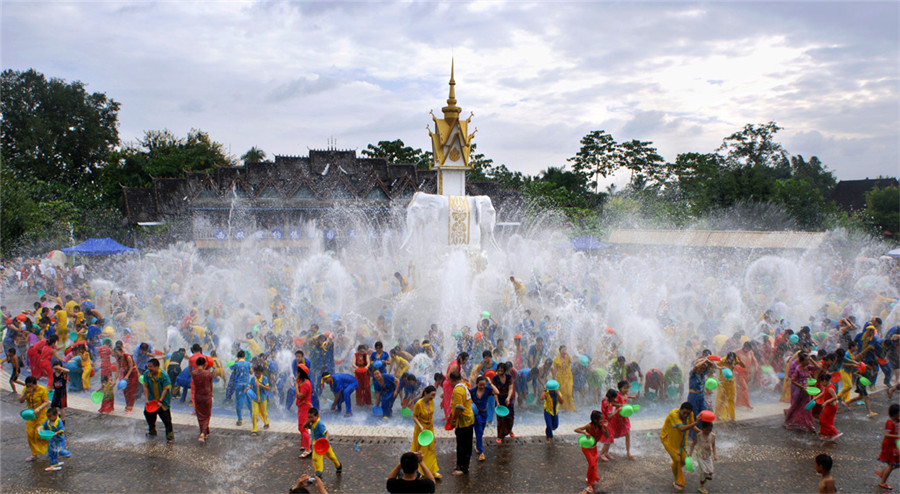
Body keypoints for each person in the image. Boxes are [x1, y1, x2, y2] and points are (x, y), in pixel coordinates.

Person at [660, 401, 700, 492]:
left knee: (684, 459)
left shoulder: (691, 413)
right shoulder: (673, 414)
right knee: (677, 460)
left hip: (680, 440)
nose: (686, 415)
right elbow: (681, 428)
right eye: (684, 412)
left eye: (688, 413)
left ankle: (674, 466)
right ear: (680, 409)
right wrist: (696, 422)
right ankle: (678, 481)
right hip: (668, 439)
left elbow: (691, 426)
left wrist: (701, 432)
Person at [574, 409, 609, 494]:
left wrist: (606, 427)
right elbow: (576, 429)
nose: (602, 421)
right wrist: (584, 433)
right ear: (595, 420)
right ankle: (589, 482)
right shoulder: (589, 426)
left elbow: (607, 436)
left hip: (594, 447)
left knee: (594, 463)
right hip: (586, 448)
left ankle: (594, 477)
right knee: (592, 464)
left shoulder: (601, 427)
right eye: (600, 419)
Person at [448, 371, 474, 476]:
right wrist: (451, 413)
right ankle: (460, 464)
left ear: (451, 380)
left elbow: (459, 408)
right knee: (464, 444)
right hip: (468, 419)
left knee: (463, 445)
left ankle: (463, 468)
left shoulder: (458, 390)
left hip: (464, 421)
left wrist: (453, 420)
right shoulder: (463, 385)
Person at [411, 385, 440, 479]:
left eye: (434, 395)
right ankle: (419, 471)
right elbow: (414, 416)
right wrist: (420, 426)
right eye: (431, 395)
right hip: (421, 430)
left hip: (429, 429)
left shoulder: (432, 402)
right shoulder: (419, 404)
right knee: (421, 451)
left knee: (431, 449)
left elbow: (430, 415)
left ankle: (433, 470)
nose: (433, 397)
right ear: (425, 393)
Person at [784, 351, 817, 432]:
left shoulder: (807, 367)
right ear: (802, 361)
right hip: (798, 390)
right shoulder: (798, 368)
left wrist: (811, 359)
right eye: (807, 360)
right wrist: (802, 387)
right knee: (795, 405)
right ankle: (787, 422)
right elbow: (793, 380)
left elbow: (817, 367)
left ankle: (808, 424)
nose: (808, 362)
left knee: (807, 406)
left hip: (806, 390)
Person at [143, 358, 174, 443]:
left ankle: (169, 436)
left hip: (163, 401)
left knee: (166, 418)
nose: (149, 368)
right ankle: (152, 431)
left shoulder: (164, 375)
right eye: (148, 366)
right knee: (148, 414)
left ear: (157, 367)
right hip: (152, 399)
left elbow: (165, 389)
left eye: (151, 366)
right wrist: (146, 399)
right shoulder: (147, 374)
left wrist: (160, 401)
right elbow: (145, 386)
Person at [20, 376, 50, 461]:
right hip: (30, 415)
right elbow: (21, 400)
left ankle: (49, 448)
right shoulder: (26, 389)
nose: (29, 387)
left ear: (35, 384)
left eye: (31, 386)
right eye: (27, 386)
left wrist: (39, 408)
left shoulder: (42, 389)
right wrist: (26, 393)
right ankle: (34, 454)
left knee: (39, 434)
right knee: (29, 434)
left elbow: (47, 401)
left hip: (41, 415)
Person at [305, 408, 342, 478]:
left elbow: (327, 432)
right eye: (309, 417)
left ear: (317, 416)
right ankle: (318, 473)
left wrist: (326, 439)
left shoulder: (319, 424)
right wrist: (307, 422)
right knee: (315, 458)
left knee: (332, 457)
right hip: (317, 445)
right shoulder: (311, 423)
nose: (310, 419)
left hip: (324, 444)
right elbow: (304, 427)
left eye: (312, 417)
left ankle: (338, 466)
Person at [470, 375, 499, 461]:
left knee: (481, 431)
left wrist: (490, 383)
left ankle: (478, 446)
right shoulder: (472, 391)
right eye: (480, 385)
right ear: (476, 384)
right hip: (476, 414)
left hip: (484, 413)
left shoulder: (487, 390)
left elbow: (497, 392)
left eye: (484, 385)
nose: (482, 387)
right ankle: (481, 452)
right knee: (479, 431)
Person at [609, 380, 636, 459]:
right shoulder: (617, 395)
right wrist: (620, 404)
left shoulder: (626, 394)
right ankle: (605, 450)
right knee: (613, 435)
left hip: (625, 417)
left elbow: (626, 396)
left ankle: (628, 452)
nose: (627, 390)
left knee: (627, 433)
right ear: (620, 388)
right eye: (625, 388)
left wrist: (632, 397)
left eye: (628, 388)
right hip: (617, 417)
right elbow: (612, 403)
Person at [688, 420, 717, 494]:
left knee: (710, 472)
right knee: (703, 471)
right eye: (706, 429)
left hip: (708, 456)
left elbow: (713, 445)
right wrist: (690, 453)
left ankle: (705, 478)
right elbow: (693, 444)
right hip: (700, 456)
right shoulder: (699, 435)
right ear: (702, 428)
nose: (708, 431)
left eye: (710, 430)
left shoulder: (712, 435)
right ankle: (702, 486)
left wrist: (715, 455)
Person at [876, 403, 900, 490]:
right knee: (892, 464)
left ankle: (882, 472)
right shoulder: (889, 423)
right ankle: (882, 482)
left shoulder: (896, 420)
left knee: (897, 463)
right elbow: (887, 435)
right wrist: (898, 437)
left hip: (893, 445)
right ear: (895, 413)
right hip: (889, 446)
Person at [813, 372, 841, 441]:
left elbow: (835, 397)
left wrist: (826, 402)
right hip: (829, 406)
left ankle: (835, 433)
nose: (821, 384)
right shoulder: (827, 386)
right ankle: (826, 434)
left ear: (825, 381)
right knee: (827, 421)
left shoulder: (830, 388)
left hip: (831, 407)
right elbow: (823, 393)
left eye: (821, 382)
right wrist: (815, 398)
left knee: (823, 421)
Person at [41, 407, 71, 471]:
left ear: (56, 415)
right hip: (52, 439)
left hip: (59, 439)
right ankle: (54, 462)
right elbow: (44, 425)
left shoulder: (59, 421)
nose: (49, 418)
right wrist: (41, 427)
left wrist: (57, 432)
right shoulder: (48, 421)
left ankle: (68, 454)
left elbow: (62, 430)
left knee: (60, 451)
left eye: (50, 417)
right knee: (51, 451)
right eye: (48, 417)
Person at [192, 356, 214, 442]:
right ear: (205, 364)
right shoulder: (208, 373)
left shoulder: (194, 373)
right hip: (207, 396)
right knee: (207, 415)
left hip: (198, 397)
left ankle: (205, 432)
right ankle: (202, 433)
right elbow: (210, 384)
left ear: (196, 364)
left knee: (200, 415)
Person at [492, 362, 516, 442]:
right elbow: (494, 391)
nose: (500, 372)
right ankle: (500, 436)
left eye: (502, 371)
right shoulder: (495, 379)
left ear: (505, 371)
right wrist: (497, 402)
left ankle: (509, 430)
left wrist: (508, 398)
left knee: (510, 417)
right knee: (500, 419)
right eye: (498, 371)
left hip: (508, 399)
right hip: (499, 399)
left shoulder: (509, 377)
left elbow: (510, 388)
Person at [115, 346, 139, 413]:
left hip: (133, 373)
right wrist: (114, 380)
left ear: (121, 351)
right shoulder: (118, 359)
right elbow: (117, 370)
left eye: (117, 352)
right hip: (126, 373)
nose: (116, 354)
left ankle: (130, 407)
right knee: (125, 390)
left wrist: (126, 376)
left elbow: (131, 367)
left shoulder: (127, 356)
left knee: (131, 390)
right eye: (115, 353)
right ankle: (127, 405)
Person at [296, 364, 313, 458]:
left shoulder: (306, 383)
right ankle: (305, 444)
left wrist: (296, 386)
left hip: (305, 406)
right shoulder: (301, 381)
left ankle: (308, 449)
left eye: (297, 371)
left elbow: (300, 395)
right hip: (301, 406)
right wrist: (296, 382)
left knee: (303, 427)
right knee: (300, 427)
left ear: (300, 373)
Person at [552, 345, 576, 411]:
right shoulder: (556, 359)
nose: (564, 352)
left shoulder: (568, 357)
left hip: (568, 377)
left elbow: (572, 361)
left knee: (569, 392)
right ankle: (564, 407)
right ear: (559, 351)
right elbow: (555, 370)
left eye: (565, 350)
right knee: (563, 393)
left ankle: (571, 407)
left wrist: (567, 353)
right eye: (563, 350)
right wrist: (553, 379)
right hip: (560, 378)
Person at [232, 350, 252, 426]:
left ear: (238, 357)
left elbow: (234, 374)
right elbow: (251, 372)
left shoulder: (236, 364)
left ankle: (240, 419)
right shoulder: (248, 364)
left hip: (238, 385)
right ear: (244, 356)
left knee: (238, 401)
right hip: (246, 385)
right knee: (249, 400)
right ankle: (253, 416)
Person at [249, 364, 270, 436]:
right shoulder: (252, 379)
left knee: (264, 412)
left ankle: (266, 422)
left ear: (262, 373)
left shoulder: (265, 379)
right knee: (254, 414)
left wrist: (261, 385)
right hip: (255, 399)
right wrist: (248, 389)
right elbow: (249, 386)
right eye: (256, 373)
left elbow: (268, 388)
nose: (257, 375)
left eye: (258, 373)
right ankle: (254, 429)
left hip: (263, 399)